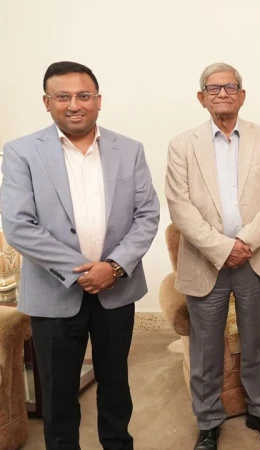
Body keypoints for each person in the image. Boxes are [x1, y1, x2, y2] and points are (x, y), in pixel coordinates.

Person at [0, 61, 160, 449]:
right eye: (63, 96)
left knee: (116, 385)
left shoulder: (129, 149)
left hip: (116, 291)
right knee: (58, 395)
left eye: (84, 95)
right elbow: (19, 225)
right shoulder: (21, 152)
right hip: (53, 295)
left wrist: (114, 267)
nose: (75, 104)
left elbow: (147, 214)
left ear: (98, 100)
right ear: (47, 102)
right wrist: (81, 272)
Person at [165, 62, 260, 449]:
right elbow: (179, 207)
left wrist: (245, 242)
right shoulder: (182, 145)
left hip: (255, 258)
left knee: (256, 343)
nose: (222, 93)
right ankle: (208, 421)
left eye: (230, 87)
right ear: (201, 97)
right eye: (213, 88)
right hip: (205, 261)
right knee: (206, 348)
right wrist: (222, 248)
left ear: (242, 95)